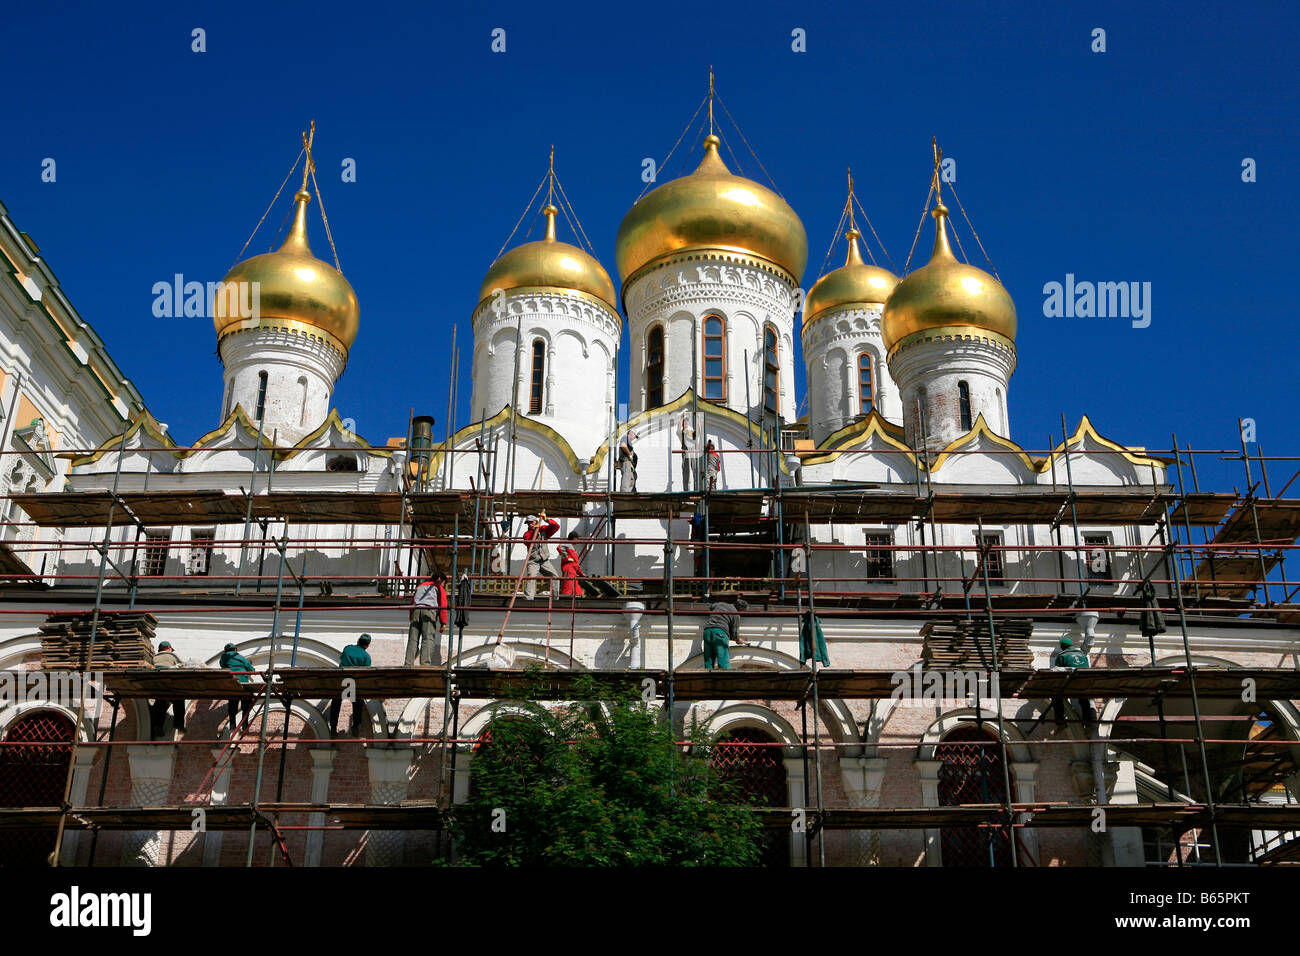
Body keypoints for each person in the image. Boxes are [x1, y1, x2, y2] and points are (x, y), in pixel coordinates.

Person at [328, 634, 372, 737]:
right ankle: (356, 725)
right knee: (358, 702)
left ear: (358, 640)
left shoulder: (347, 648)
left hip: (341, 682)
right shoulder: (366, 657)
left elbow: (342, 658)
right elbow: (366, 673)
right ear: (367, 645)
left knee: (336, 701)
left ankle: (333, 727)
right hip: (354, 684)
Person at [407, 572, 447, 666]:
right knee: (428, 638)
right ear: (441, 580)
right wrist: (443, 622)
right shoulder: (438, 587)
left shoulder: (420, 586)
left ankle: (408, 663)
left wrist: (411, 617)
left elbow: (412, 602)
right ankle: (425, 664)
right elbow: (443, 605)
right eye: (444, 583)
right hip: (429, 611)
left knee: (413, 639)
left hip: (416, 612)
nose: (444, 585)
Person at [148, 641, 186, 740]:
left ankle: (157, 726)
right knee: (179, 699)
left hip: (156, 685)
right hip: (168, 682)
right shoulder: (172, 655)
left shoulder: (154, 657)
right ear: (169, 648)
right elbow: (183, 665)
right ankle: (178, 723)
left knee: (161, 702)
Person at [1050, 637, 1092, 727]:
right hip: (1083, 684)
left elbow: (1058, 673)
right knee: (1084, 700)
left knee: (1056, 697)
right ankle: (1088, 721)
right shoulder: (1082, 654)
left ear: (1062, 647)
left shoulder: (1062, 656)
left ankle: (1060, 721)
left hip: (1070, 684)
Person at [522, 511, 560, 600]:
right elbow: (528, 542)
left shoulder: (543, 530)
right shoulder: (527, 534)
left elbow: (556, 526)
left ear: (536, 521)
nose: (530, 524)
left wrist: (546, 520)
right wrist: (535, 530)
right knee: (531, 577)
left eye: (531, 522)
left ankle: (555, 599)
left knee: (555, 577)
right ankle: (528, 599)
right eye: (528, 523)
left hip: (544, 560)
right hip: (533, 561)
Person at [702, 598, 748, 670]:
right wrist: (740, 640)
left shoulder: (720, 604)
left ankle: (708, 674)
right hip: (720, 632)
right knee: (722, 656)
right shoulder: (736, 614)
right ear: (741, 609)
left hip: (707, 631)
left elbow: (712, 606)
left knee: (709, 658)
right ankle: (726, 676)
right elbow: (734, 635)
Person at [219, 643, 254, 732]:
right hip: (243, 682)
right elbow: (252, 670)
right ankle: (245, 723)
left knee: (233, 702)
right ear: (235, 650)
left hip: (232, 682)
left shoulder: (224, 656)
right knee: (246, 703)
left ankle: (232, 723)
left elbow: (222, 665)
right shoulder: (240, 657)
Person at [558, 531, 587, 597]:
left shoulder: (571, 548)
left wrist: (581, 573)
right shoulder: (568, 544)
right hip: (569, 570)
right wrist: (566, 558)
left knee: (577, 591)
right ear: (574, 538)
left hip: (573, 572)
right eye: (578, 538)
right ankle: (563, 604)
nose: (578, 540)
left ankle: (577, 605)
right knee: (567, 588)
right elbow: (559, 547)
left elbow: (575, 564)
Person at [678, 413, 697, 490]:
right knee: (686, 473)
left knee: (696, 472)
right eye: (684, 421)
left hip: (693, 452)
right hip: (686, 452)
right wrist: (681, 417)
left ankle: (697, 490)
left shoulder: (691, 430)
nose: (686, 423)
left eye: (687, 421)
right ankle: (686, 491)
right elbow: (679, 429)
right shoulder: (682, 431)